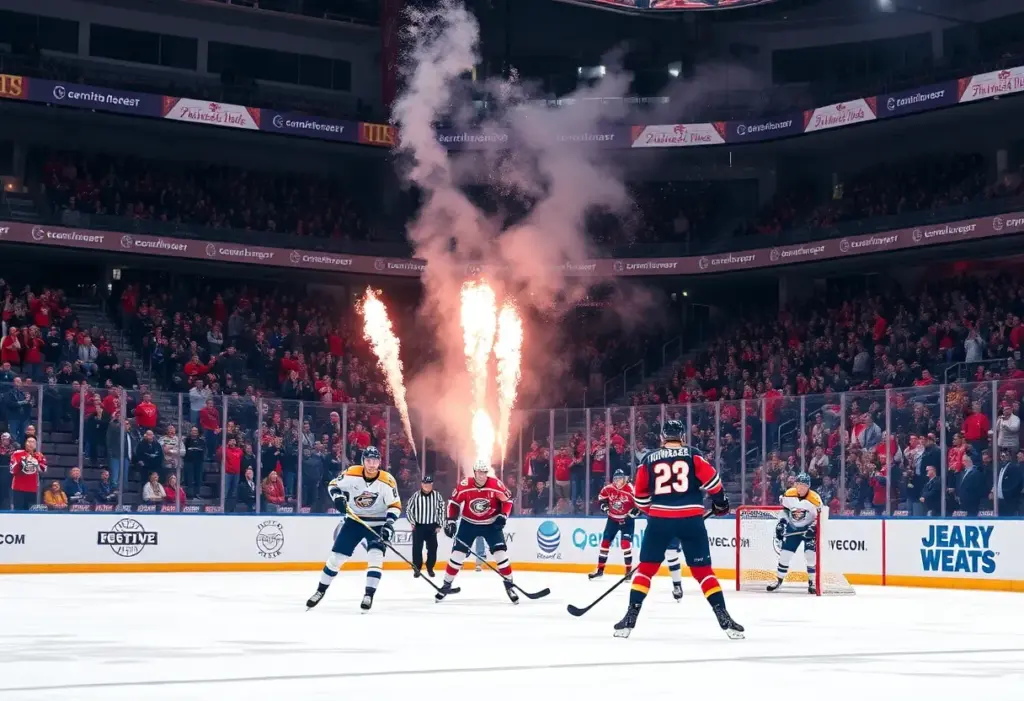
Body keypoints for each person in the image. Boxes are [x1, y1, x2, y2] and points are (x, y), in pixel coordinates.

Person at [613, 420, 742, 640]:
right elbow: (713, 482)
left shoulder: (648, 458)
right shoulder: (693, 454)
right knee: (703, 572)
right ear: (682, 437)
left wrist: (653, 512)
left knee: (645, 570)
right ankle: (723, 616)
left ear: (662, 438)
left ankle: (630, 617)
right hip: (691, 519)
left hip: (660, 520)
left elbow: (640, 497)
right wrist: (720, 502)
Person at [305, 446, 400, 613]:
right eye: (369, 460)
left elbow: (395, 505)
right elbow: (333, 485)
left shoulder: (387, 480)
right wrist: (338, 497)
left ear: (380, 462)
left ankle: (369, 595)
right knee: (336, 558)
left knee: (375, 557)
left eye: (375, 461)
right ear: (363, 461)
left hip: (377, 523)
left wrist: (389, 524)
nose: (372, 464)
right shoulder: (352, 473)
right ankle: (320, 591)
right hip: (354, 521)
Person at [436, 461, 515, 604]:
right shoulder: (465, 485)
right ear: (475, 472)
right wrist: (451, 521)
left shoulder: (496, 485)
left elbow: (508, 501)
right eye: (479, 472)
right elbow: (453, 502)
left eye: (485, 472)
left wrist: (503, 516)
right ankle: (446, 584)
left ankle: (510, 585)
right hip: (468, 524)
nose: (482, 475)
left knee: (500, 554)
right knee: (457, 554)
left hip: (491, 524)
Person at [766, 473, 822, 594]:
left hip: (809, 531)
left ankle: (812, 582)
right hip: (793, 528)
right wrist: (782, 522)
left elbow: (820, 517)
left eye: (803, 485)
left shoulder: (815, 499)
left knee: (810, 554)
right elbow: (785, 511)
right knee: (785, 554)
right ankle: (779, 580)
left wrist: (813, 527)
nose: (800, 488)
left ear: (808, 486)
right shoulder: (789, 494)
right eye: (798, 484)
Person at [589, 470, 639, 581]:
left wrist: (635, 512)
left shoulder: (631, 489)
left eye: (620, 478)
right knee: (604, 544)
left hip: (627, 520)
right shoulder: (608, 488)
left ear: (624, 478)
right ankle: (600, 570)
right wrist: (605, 507)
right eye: (615, 478)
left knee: (625, 544)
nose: (617, 481)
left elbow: (640, 503)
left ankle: (628, 571)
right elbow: (601, 498)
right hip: (612, 519)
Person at [405, 475, 445, 577]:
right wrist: (412, 522)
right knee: (417, 548)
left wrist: (440, 524)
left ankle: (430, 567)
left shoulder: (437, 495)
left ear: (432, 484)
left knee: (433, 548)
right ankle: (417, 569)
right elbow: (409, 509)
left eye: (429, 484)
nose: (427, 486)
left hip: (432, 526)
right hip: (418, 526)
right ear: (422, 484)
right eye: (425, 484)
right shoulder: (416, 496)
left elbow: (441, 510)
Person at [10, 436, 46, 511]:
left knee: (31, 512)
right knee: (18, 512)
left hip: (32, 488)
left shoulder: (39, 455)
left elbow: (44, 470)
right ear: (25, 443)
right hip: (18, 487)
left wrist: (36, 463)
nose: (31, 444)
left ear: (36, 445)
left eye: (33, 442)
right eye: (29, 441)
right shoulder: (17, 453)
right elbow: (12, 470)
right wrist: (21, 462)